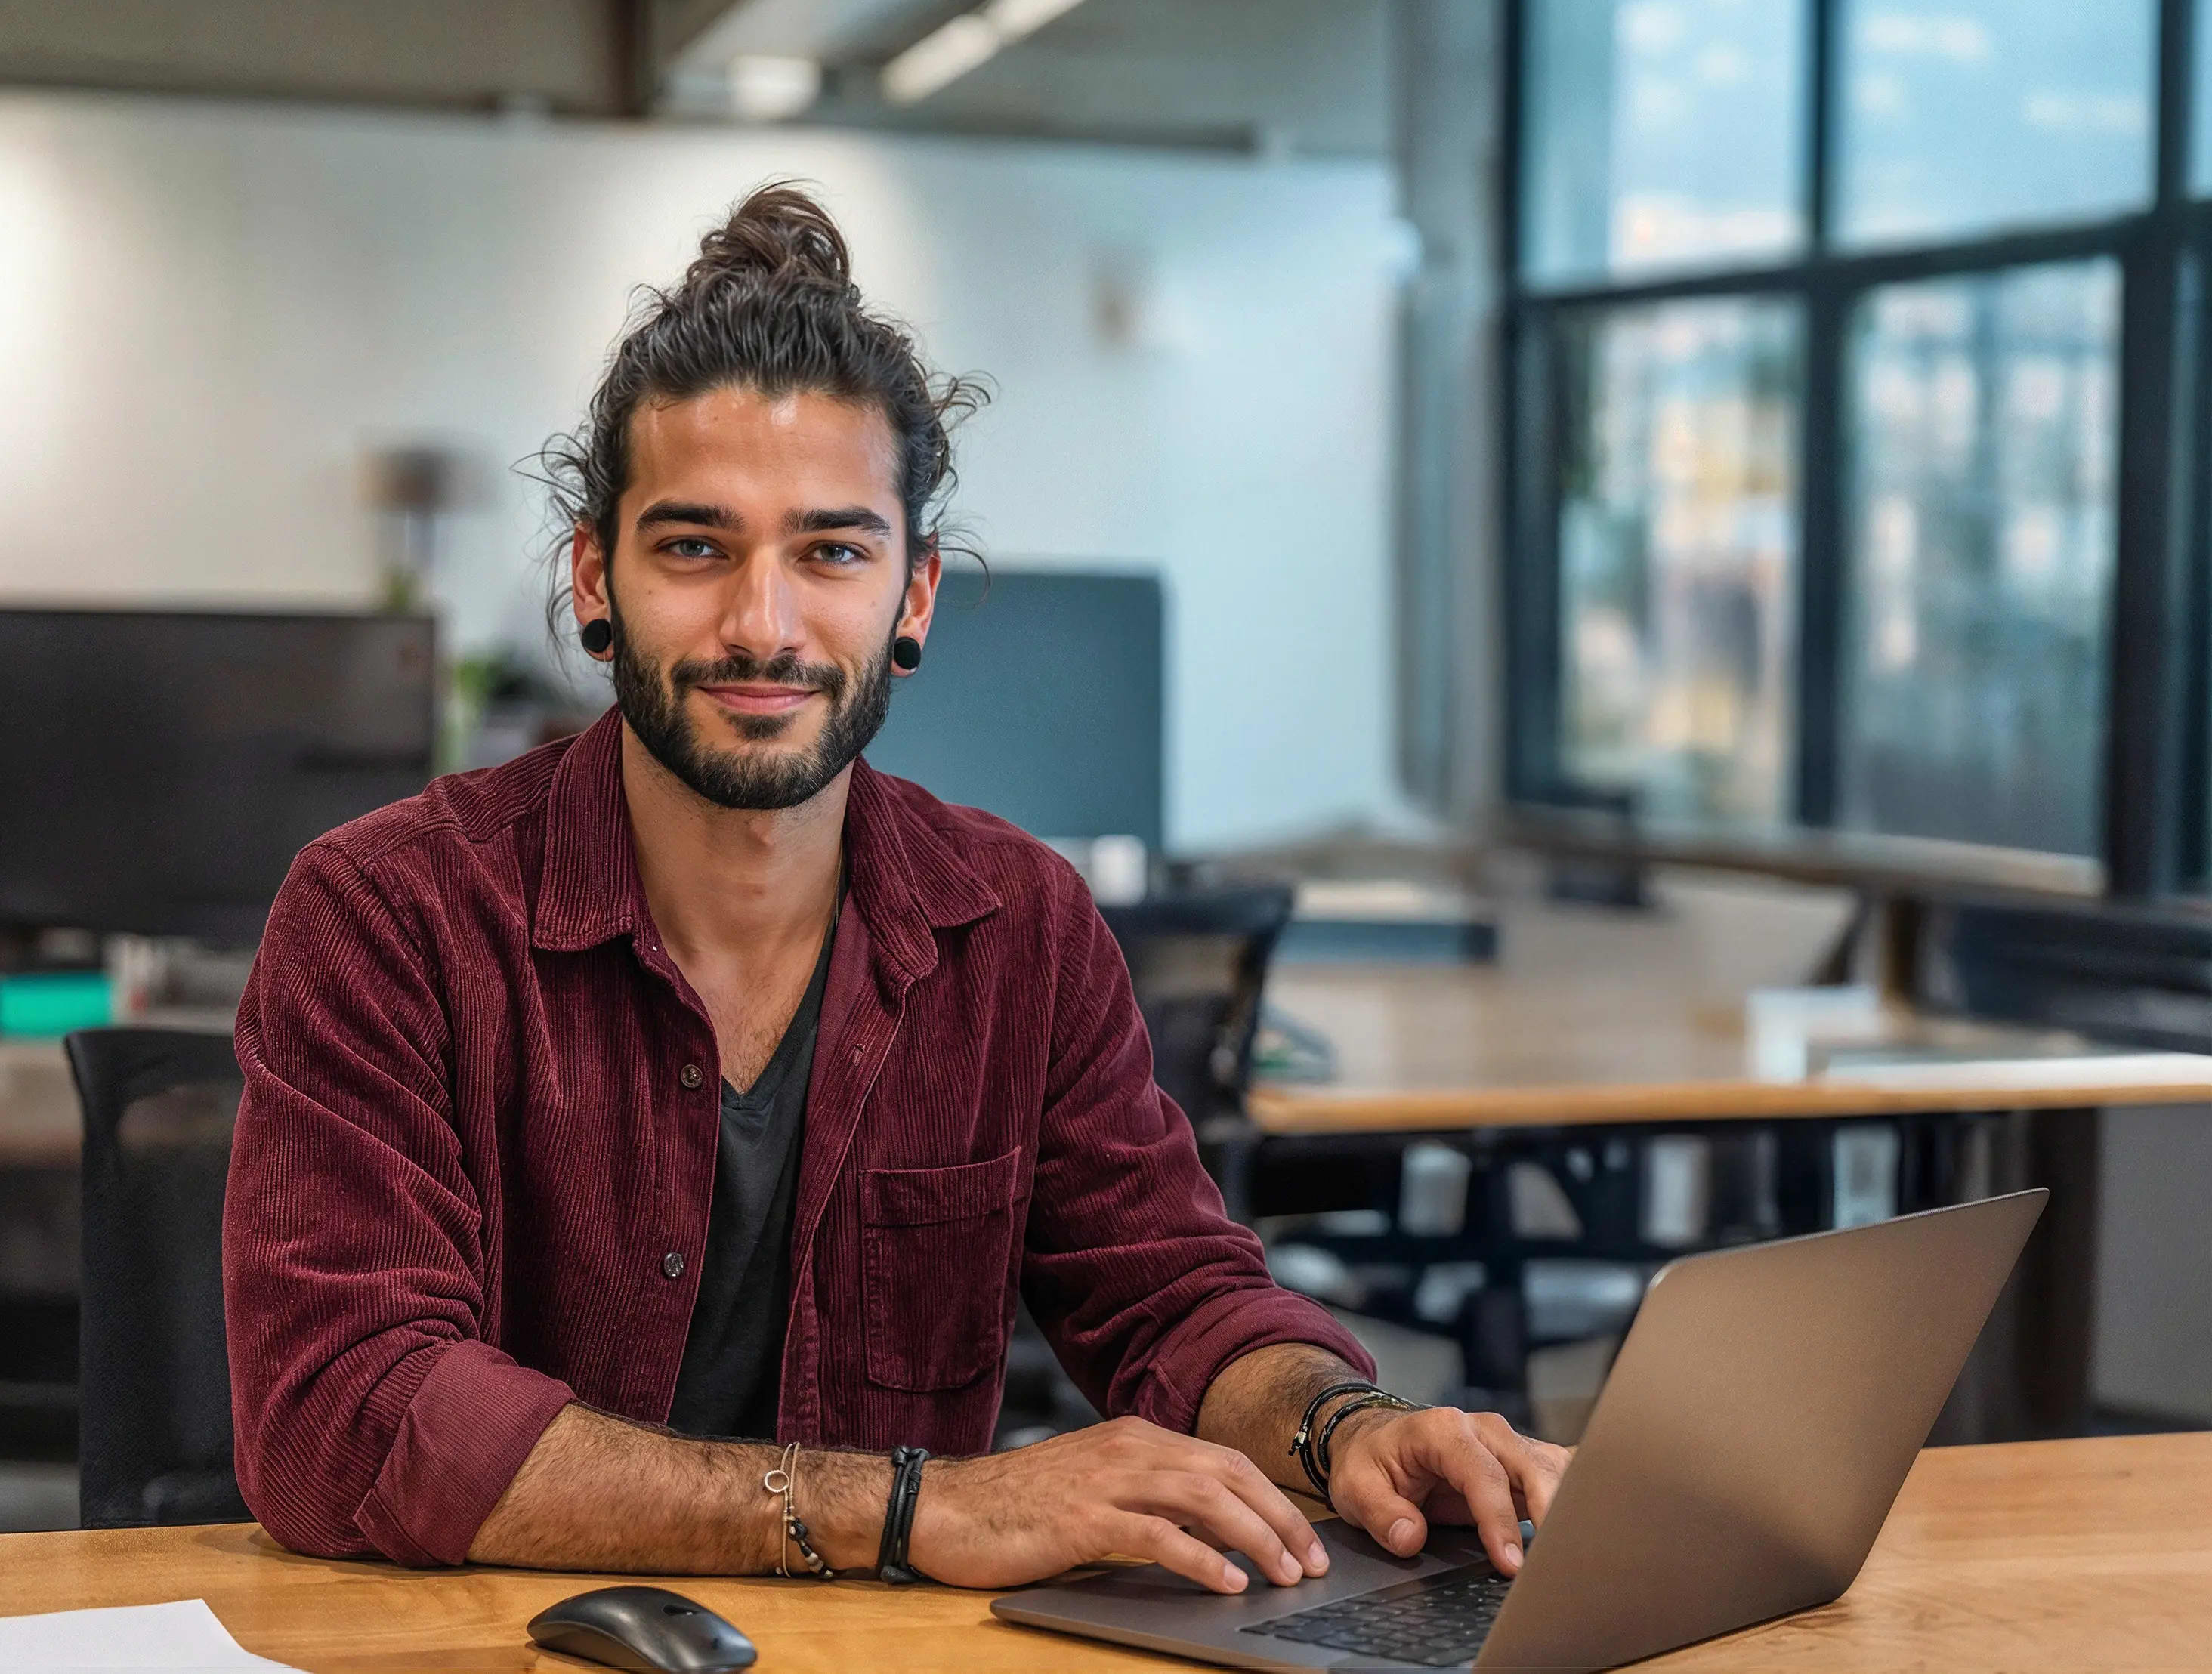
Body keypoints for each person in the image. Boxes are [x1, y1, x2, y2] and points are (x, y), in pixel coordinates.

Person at [223, 185, 1565, 1593]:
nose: (764, 622)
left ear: (913, 596)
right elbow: (348, 1416)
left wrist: (1345, 1425)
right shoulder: (388, 915)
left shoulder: (1019, 925)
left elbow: (1169, 1292)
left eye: (833, 551)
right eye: (694, 547)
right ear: (594, 582)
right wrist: (922, 1510)